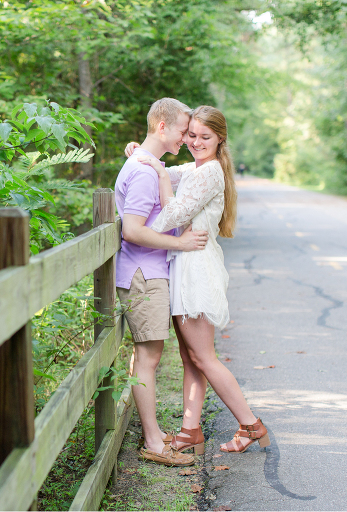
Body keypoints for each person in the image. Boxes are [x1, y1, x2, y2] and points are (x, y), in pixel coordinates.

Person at [126, 105, 270, 454]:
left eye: (205, 137)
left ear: (221, 139)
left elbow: (168, 216)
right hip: (185, 263)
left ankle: (251, 425)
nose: (195, 141)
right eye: (191, 134)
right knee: (192, 357)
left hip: (195, 267)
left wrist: (159, 178)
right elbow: (166, 168)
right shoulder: (197, 168)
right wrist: (140, 153)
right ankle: (191, 431)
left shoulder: (209, 173)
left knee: (204, 357)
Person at [115, 98, 209, 467]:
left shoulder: (146, 165)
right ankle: (154, 443)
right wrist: (180, 242)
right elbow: (133, 230)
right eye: (183, 131)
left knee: (146, 358)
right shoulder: (141, 171)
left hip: (148, 274)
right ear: (162, 127)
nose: (187, 138)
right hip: (144, 275)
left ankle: (153, 435)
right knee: (149, 360)